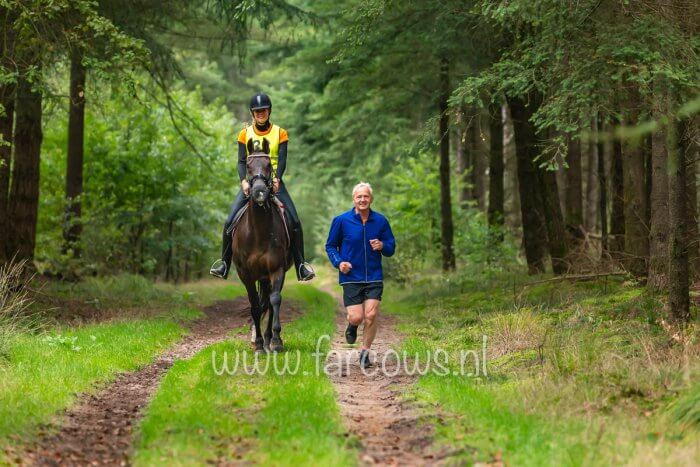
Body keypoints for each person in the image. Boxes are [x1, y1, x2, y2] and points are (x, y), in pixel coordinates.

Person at [210, 92, 315, 281]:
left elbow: (282, 160)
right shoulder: (244, 133)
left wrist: (277, 179)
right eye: (257, 111)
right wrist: (243, 180)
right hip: (252, 184)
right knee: (229, 222)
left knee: (295, 222)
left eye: (263, 110)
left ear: (269, 111)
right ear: (252, 113)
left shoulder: (280, 132)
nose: (260, 113)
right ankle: (224, 263)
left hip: (273, 183)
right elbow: (241, 161)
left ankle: (301, 266)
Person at [325, 182, 396, 368]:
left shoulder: (381, 221)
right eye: (359, 197)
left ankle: (365, 352)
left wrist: (383, 246)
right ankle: (352, 325)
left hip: (374, 276)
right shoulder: (341, 221)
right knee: (356, 317)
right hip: (351, 277)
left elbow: (391, 247)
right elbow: (330, 246)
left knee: (371, 315)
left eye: (366, 196)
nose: (362, 199)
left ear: (371, 199)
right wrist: (339, 262)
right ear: (353, 199)